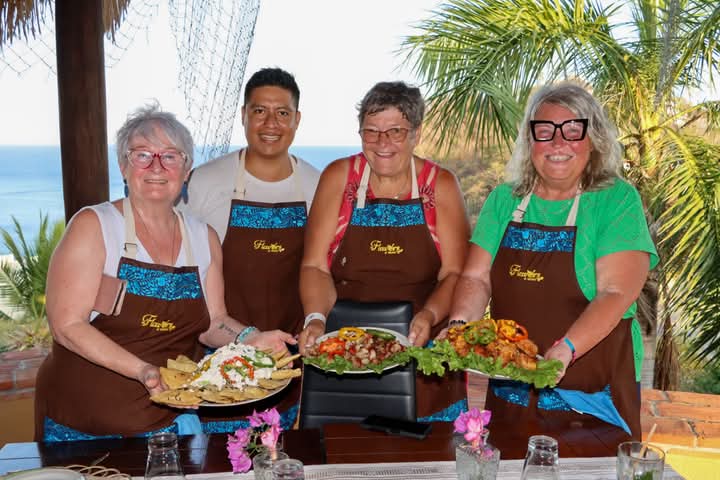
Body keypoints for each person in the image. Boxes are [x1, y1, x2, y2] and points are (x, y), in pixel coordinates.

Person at [34, 104, 295, 442]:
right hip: (84, 424)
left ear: (186, 171)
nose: (156, 166)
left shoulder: (203, 238)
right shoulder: (94, 226)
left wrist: (250, 338)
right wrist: (142, 370)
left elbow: (214, 323)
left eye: (170, 156)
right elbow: (67, 325)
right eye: (142, 155)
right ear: (123, 166)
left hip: (168, 423)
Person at [448, 81, 658, 445]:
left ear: (593, 139)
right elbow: (476, 277)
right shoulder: (504, 200)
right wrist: (459, 328)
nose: (558, 143)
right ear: (530, 141)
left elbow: (615, 292)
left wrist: (565, 350)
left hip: (590, 397)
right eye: (544, 131)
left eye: (572, 130)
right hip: (511, 391)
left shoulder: (616, 200)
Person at [298, 81, 470, 421]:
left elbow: (454, 273)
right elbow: (315, 266)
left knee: (427, 450)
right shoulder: (338, 177)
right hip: (343, 351)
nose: (382, 143)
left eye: (395, 131)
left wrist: (430, 315)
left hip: (421, 347)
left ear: (416, 133)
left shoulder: (441, 185)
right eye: (371, 131)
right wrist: (315, 318)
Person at [180, 67, 319, 430]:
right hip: (221, 356)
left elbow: (322, 269)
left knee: (277, 450)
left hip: (287, 358)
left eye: (282, 112)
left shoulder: (315, 184)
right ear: (243, 115)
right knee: (220, 454)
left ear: (297, 119)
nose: (271, 123)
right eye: (259, 111)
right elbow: (180, 268)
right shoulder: (206, 181)